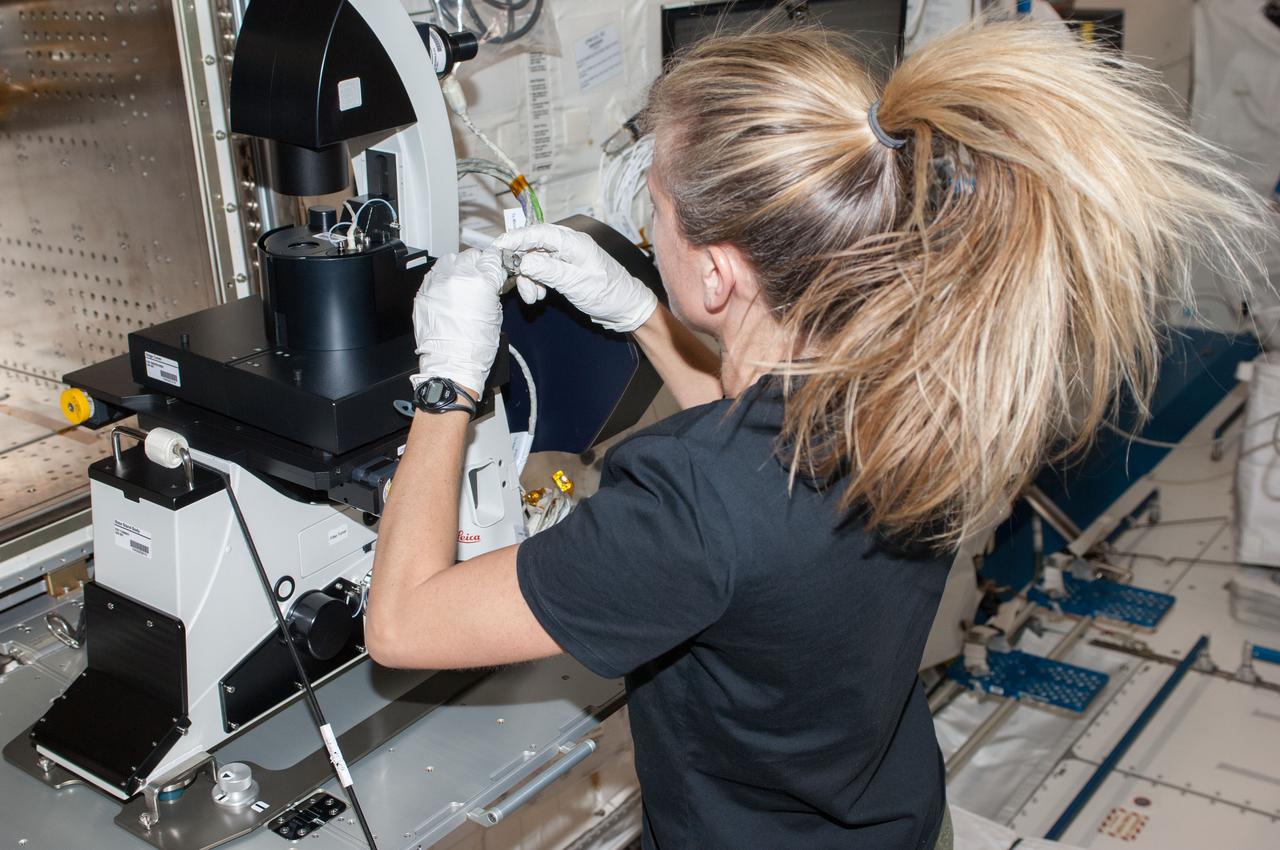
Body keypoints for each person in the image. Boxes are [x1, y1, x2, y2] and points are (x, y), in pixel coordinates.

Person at [366, 20, 1266, 850]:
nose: (648, 225)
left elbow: (401, 625)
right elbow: (753, 451)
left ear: (718, 273)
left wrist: (446, 383)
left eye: (658, 211)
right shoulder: (928, 387)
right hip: (891, 818)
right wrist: (640, 309)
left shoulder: (688, 501)